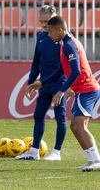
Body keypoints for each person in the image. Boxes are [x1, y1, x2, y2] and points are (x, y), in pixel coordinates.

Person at [35, 16, 100, 171]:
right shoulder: (65, 43)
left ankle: (96, 160)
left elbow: (76, 71)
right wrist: (43, 82)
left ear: (60, 30)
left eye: (51, 31)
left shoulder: (69, 45)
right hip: (85, 91)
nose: (49, 35)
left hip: (87, 90)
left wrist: (61, 91)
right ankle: (93, 161)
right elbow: (62, 70)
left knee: (78, 126)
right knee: (77, 126)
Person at [16, 5, 68, 161]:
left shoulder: (64, 38)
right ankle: (34, 151)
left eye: (47, 21)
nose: (45, 25)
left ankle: (57, 152)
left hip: (59, 83)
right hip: (44, 83)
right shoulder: (41, 37)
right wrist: (31, 82)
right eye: (42, 21)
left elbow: (69, 66)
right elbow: (36, 62)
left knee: (60, 116)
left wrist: (67, 87)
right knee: (38, 114)